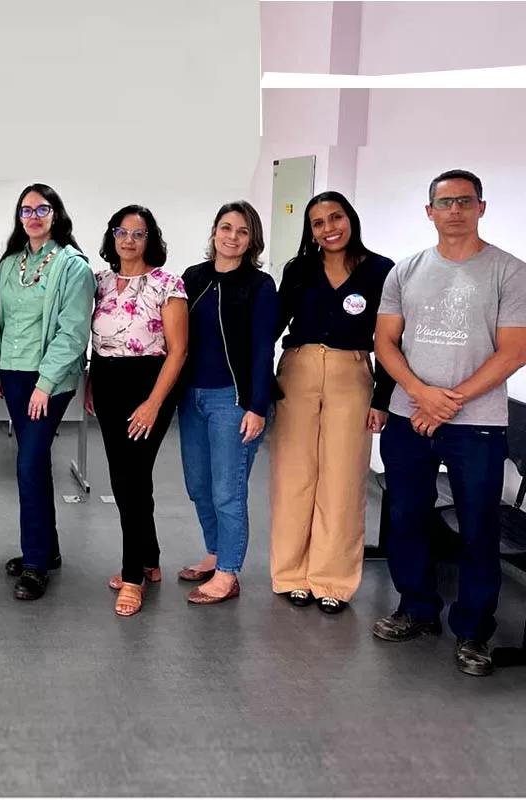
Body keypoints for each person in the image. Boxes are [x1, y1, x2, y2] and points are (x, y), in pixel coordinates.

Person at [372, 169, 526, 677]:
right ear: (429, 211)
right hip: (408, 419)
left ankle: (473, 630)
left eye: (464, 201)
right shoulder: (406, 271)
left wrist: (449, 402)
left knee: (479, 527)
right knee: (407, 518)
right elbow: (384, 342)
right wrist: (420, 395)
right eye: (444, 202)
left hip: (477, 425)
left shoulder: (510, 272)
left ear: (481, 207)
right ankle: (417, 609)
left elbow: (515, 351)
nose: (454, 210)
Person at [269, 192, 395, 614]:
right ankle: (291, 573)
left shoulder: (380, 270)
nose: (329, 228)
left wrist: (382, 399)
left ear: (350, 219)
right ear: (311, 231)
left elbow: (390, 339)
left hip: (351, 374)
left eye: (336, 217)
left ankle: (333, 580)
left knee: (342, 479)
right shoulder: (300, 269)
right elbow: (274, 323)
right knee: (293, 476)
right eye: (318, 223)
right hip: (298, 370)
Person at [0, 184, 95, 601]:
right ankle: (46, 550)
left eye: (41, 209)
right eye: (26, 209)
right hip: (13, 375)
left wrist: (44, 385)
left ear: (56, 214)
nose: (33, 216)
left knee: (29, 464)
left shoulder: (73, 266)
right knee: (33, 464)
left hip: (48, 380)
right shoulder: (9, 264)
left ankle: (35, 564)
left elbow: (73, 333)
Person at [85, 205, 188, 616]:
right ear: (112, 236)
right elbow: (96, 343)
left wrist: (153, 403)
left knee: (130, 479)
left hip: (149, 386)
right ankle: (150, 557)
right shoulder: (100, 282)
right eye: (122, 232)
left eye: (138, 233)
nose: (128, 240)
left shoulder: (168, 284)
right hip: (107, 384)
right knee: (127, 477)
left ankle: (133, 577)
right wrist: (91, 384)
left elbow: (178, 351)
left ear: (151, 239)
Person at [177, 201, 278, 604]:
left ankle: (228, 572)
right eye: (226, 227)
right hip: (192, 397)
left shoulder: (259, 285)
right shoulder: (193, 277)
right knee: (198, 486)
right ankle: (215, 552)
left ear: (252, 240)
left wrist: (257, 406)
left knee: (228, 491)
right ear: (214, 232)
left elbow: (263, 350)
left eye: (242, 231)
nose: (232, 237)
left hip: (233, 402)